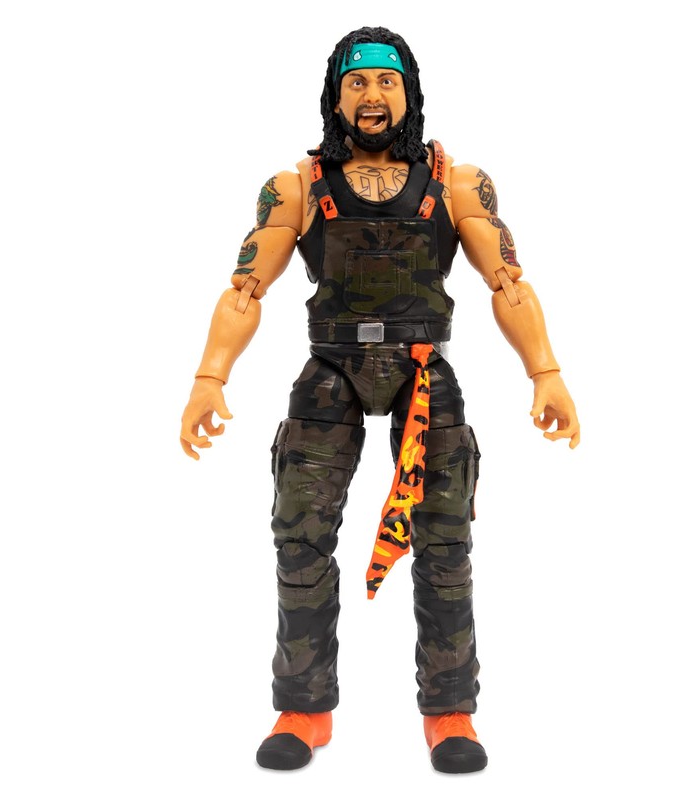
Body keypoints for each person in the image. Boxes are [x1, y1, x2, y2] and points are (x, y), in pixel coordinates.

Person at [180, 26, 580, 774]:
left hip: (423, 374)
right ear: (336, 97)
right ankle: (303, 709)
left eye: (386, 81)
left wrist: (545, 371)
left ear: (409, 93)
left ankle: (451, 712)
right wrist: (210, 377)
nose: (371, 95)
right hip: (331, 368)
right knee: (299, 535)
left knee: (446, 543)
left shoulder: (456, 183)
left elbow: (508, 282)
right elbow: (245, 289)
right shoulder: (299, 187)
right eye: (357, 82)